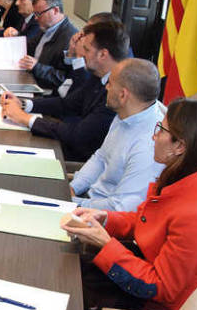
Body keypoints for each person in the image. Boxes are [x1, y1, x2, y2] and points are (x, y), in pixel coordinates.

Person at [62, 98, 197, 310]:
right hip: (141, 268)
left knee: (64, 287)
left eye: (160, 129)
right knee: (63, 266)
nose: (154, 136)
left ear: (179, 146)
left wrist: (105, 244)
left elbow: (159, 287)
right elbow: (144, 220)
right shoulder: (182, 180)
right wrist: (106, 218)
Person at [0, 20, 129, 161]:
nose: (81, 54)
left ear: (103, 54)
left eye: (86, 50)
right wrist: (24, 104)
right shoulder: (99, 76)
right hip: (67, 145)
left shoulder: (118, 91)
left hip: (77, 159)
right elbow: (66, 104)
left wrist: (24, 118)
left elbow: (78, 135)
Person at [70, 58, 165, 211]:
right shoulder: (126, 113)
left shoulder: (149, 145)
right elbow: (101, 157)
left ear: (123, 95)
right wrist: (73, 187)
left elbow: (120, 207)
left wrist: (74, 203)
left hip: (101, 217)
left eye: (110, 83)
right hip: (88, 200)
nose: (106, 87)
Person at [18, 0, 78, 89]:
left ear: (55, 10)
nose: (36, 18)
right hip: (31, 80)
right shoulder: (46, 27)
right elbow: (29, 46)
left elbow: (65, 79)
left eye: (38, 14)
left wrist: (37, 67)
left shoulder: (70, 38)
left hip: (45, 92)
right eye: (34, 14)